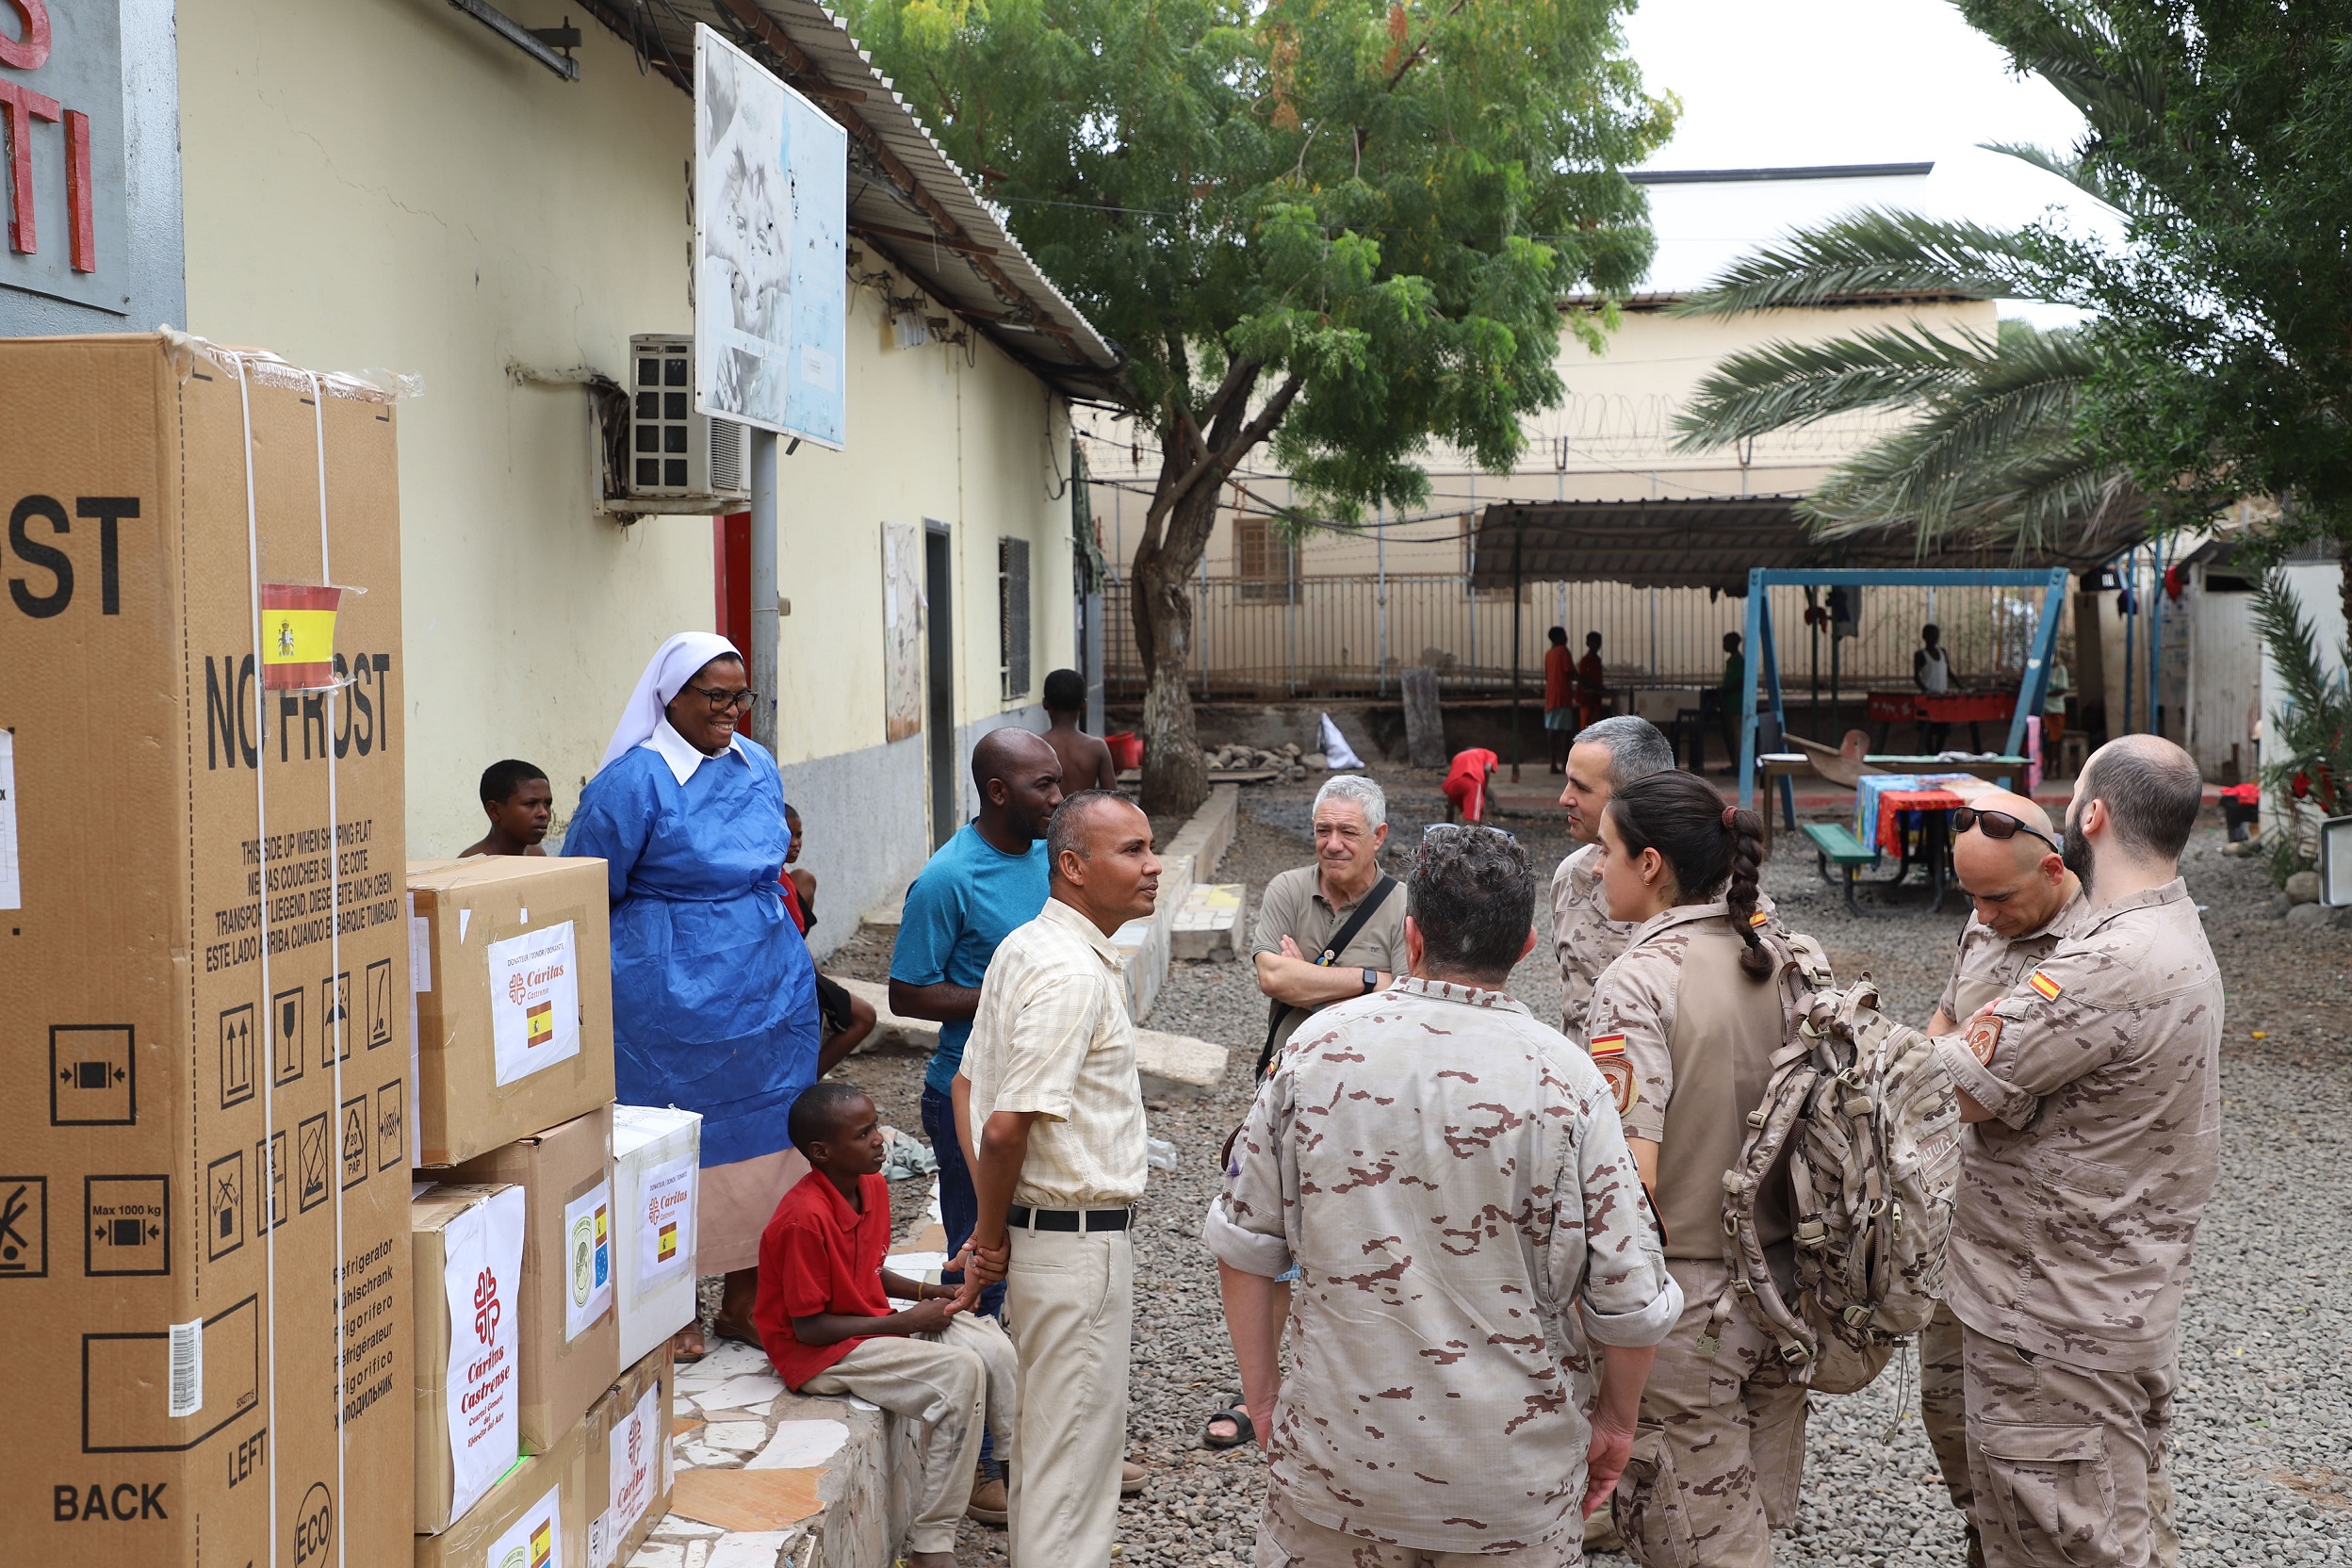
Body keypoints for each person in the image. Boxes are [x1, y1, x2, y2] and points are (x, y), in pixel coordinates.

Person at [1205, 824, 1682, 1566]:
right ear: (1526, 946)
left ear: (1411, 934)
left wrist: (1264, 1402)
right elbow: (1630, 1296)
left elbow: (1243, 1245)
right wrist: (1617, 1427)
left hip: (1337, 1468)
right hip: (1509, 1485)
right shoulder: (1571, 1080)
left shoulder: (1315, 1051)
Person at [1930, 736, 2218, 1568]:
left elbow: (1954, 1084)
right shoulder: (2171, 931)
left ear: (2090, 816)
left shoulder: (2105, 962)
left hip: (2054, 1318)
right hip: (2102, 1294)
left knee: (2072, 1535)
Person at [564, 632, 821, 1362]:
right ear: (669, 698)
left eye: (742, 696)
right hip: (667, 993)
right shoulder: (632, 782)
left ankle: (744, 1302)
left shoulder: (757, 764)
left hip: (767, 988)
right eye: (715, 696)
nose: (732, 711)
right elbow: (586, 886)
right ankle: (669, 1307)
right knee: (668, 1146)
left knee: (767, 1138)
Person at [1584, 770, 1807, 1566]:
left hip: (1686, 1313)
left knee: (1695, 1541)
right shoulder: (1788, 958)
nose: (1594, 865)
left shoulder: (1638, 981)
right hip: (1786, 1292)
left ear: (1650, 864)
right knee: (1748, 1515)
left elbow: (1629, 1185)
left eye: (1603, 850)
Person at [956, 791, 1161, 1568]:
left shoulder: (1026, 946)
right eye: (1132, 851)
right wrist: (987, 1240)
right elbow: (1007, 1123)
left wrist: (995, 1233)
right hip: (1076, 1251)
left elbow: (969, 1093)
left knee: (1050, 1456)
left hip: (1044, 1242)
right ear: (1072, 867)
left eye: (1149, 848)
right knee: (1073, 1474)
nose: (1154, 866)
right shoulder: (1070, 972)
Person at [1913, 790, 2097, 1568]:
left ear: (2054, 869)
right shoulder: (1985, 918)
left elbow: (1990, 1090)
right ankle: (1983, 1531)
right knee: (1946, 1399)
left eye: (1997, 898)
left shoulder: (2093, 952)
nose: (1982, 917)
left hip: (2040, 1244)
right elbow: (1945, 1022)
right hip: (1958, 1208)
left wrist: (1958, 1070)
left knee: (2037, 1425)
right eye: (1970, 898)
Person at [889, 727, 1065, 1522]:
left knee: (1053, 1277)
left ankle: (1055, 1444)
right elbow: (907, 992)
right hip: (968, 1099)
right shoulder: (948, 878)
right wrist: (1009, 993)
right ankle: (984, 1470)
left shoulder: (1049, 858)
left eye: (1060, 786)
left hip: (1042, 1095)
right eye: (1043, 788)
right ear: (998, 792)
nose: (1058, 801)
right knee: (980, 1273)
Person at [755, 1082, 1019, 1568]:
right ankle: (931, 1544)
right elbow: (809, 1328)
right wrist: (906, 1324)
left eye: (875, 1126)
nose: (880, 1139)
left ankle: (1016, 1482)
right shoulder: (802, 1220)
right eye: (863, 1133)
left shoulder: (871, 1186)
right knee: (961, 1374)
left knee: (992, 1344)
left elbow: (870, 1272)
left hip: (867, 1325)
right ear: (821, 1152)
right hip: (817, 1354)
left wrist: (929, 1294)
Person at [1548, 715, 1675, 1039]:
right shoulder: (1572, 878)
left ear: (1634, 796)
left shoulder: (1719, 888)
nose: (1564, 798)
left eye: (1581, 787)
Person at [780, 805, 876, 1071]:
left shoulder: (786, 879)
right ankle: (807, 1083)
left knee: (805, 879)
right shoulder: (770, 883)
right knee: (864, 1017)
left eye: (800, 835)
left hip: (798, 962)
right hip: (787, 972)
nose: (797, 843)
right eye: (789, 836)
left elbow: (796, 940)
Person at [1041, 667, 1120, 792]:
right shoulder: (1097, 748)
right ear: (1083, 705)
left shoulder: (1036, 746)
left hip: (1050, 813)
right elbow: (1113, 798)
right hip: (1084, 812)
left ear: (1045, 703)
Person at [460, 759, 552, 857]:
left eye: (547, 803)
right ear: (494, 811)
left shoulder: (536, 855)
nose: (543, 813)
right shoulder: (472, 865)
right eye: (530, 803)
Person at [1543, 626, 1576, 772]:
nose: (1566, 638)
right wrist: (1583, 683)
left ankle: (1552, 762)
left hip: (1551, 696)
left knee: (1552, 730)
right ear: (1558, 638)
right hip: (1562, 696)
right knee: (1565, 731)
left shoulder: (1549, 654)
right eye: (1564, 635)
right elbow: (1570, 671)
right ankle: (1564, 763)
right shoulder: (1563, 651)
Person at [1916, 623, 1952, 752]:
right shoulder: (1920, 655)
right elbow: (1916, 677)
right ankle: (1930, 753)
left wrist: (1962, 686)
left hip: (1942, 697)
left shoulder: (1942, 652)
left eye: (1936, 635)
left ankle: (1937, 752)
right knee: (1927, 729)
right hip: (1928, 698)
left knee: (1944, 728)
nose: (1934, 638)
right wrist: (1926, 691)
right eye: (1931, 635)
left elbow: (1949, 672)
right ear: (1924, 637)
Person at [1441, 745, 1498, 824]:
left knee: (1451, 810)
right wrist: (1483, 791)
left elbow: (1452, 773)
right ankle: (1472, 834)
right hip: (1472, 782)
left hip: (1451, 783)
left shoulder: (1458, 756)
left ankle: (1447, 831)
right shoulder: (1488, 753)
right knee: (1472, 822)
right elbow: (1487, 769)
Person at [1576, 629, 1608, 730]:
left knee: (1593, 726)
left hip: (1595, 698)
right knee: (1586, 726)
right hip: (1587, 698)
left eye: (1598, 642)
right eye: (1593, 642)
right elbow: (1584, 679)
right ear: (1587, 643)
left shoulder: (1596, 660)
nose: (1596, 645)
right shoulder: (1586, 660)